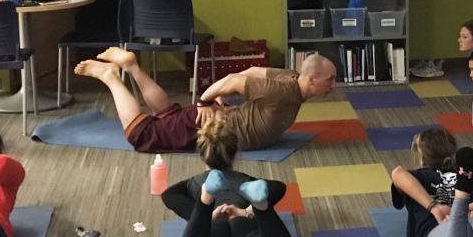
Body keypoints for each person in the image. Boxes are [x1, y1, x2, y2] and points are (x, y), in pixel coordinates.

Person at [74, 47, 337, 153]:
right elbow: (236, 79)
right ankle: (110, 76)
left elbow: (253, 72)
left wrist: (218, 95)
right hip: (212, 128)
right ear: (312, 80)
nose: (334, 85)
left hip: (216, 121)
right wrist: (204, 101)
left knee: (166, 113)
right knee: (141, 135)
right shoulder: (284, 92)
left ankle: (132, 67)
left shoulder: (291, 78)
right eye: (330, 80)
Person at [161, 117, 298, 237]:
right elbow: (278, 187)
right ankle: (261, 207)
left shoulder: (194, 183)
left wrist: (206, 216)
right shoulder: (245, 181)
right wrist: (247, 211)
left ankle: (205, 200)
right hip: (246, 236)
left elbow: (169, 195)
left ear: (202, 154)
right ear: (235, 153)